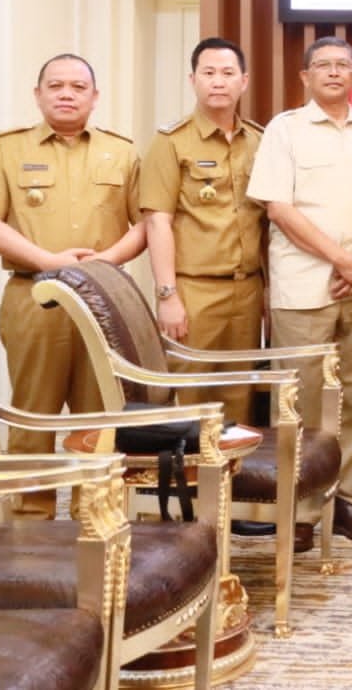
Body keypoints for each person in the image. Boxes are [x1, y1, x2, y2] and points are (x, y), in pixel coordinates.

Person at [0, 53, 145, 518]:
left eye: (78, 87)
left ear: (95, 96)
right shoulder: (8, 149)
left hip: (101, 298)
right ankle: (30, 520)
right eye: (56, 85)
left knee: (100, 413)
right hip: (33, 295)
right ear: (38, 94)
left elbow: (148, 223)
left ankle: (94, 515)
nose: (67, 94)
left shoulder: (122, 152)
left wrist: (106, 261)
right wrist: (49, 262)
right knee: (33, 412)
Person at [247, 36, 352, 551]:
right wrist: (342, 260)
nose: (334, 72)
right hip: (305, 288)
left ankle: (349, 500)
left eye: (342, 65)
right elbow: (279, 209)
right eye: (323, 65)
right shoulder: (284, 130)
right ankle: (301, 509)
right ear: (305, 77)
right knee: (302, 405)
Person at [141, 37, 267, 426]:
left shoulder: (259, 141)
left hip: (247, 291)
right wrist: (167, 295)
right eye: (208, 72)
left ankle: (233, 469)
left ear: (244, 81)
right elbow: (157, 220)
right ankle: (192, 470)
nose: (218, 81)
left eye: (228, 73)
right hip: (194, 291)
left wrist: (267, 291)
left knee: (239, 399)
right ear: (192, 79)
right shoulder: (171, 142)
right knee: (190, 397)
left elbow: (267, 222)